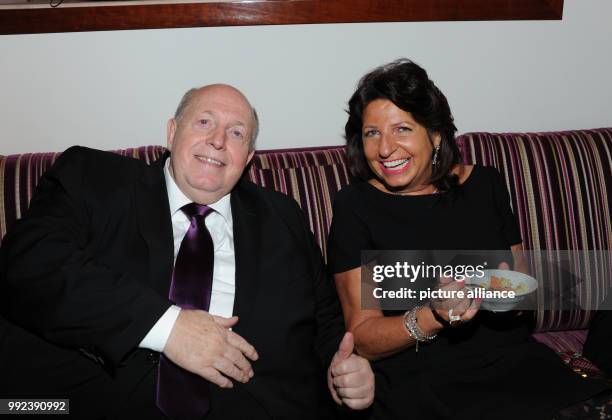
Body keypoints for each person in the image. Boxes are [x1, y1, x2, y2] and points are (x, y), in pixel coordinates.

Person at [0, 84, 374, 419]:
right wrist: (167, 326)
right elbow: (29, 259)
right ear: (171, 132)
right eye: (204, 122)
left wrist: (340, 372)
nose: (218, 140)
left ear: (247, 159)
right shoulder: (95, 177)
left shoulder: (283, 216)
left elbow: (326, 322)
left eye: (237, 133)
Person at [327, 59, 608, 419]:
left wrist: (500, 288)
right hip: (419, 376)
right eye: (371, 133)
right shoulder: (354, 206)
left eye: (402, 129)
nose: (385, 149)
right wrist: (432, 315)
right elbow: (363, 337)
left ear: (435, 135)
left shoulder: (486, 184)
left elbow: (521, 292)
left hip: (511, 363)